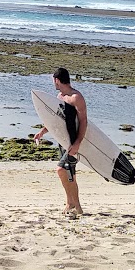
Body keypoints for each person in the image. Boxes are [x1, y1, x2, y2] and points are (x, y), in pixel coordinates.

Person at [45, 67, 87, 219]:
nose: (53, 83)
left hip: (73, 142)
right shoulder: (60, 96)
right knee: (71, 175)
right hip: (62, 142)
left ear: (57, 80)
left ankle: (75, 205)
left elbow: (83, 122)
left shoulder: (77, 97)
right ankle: (72, 204)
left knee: (61, 170)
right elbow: (56, 119)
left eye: (53, 80)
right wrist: (43, 132)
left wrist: (77, 144)